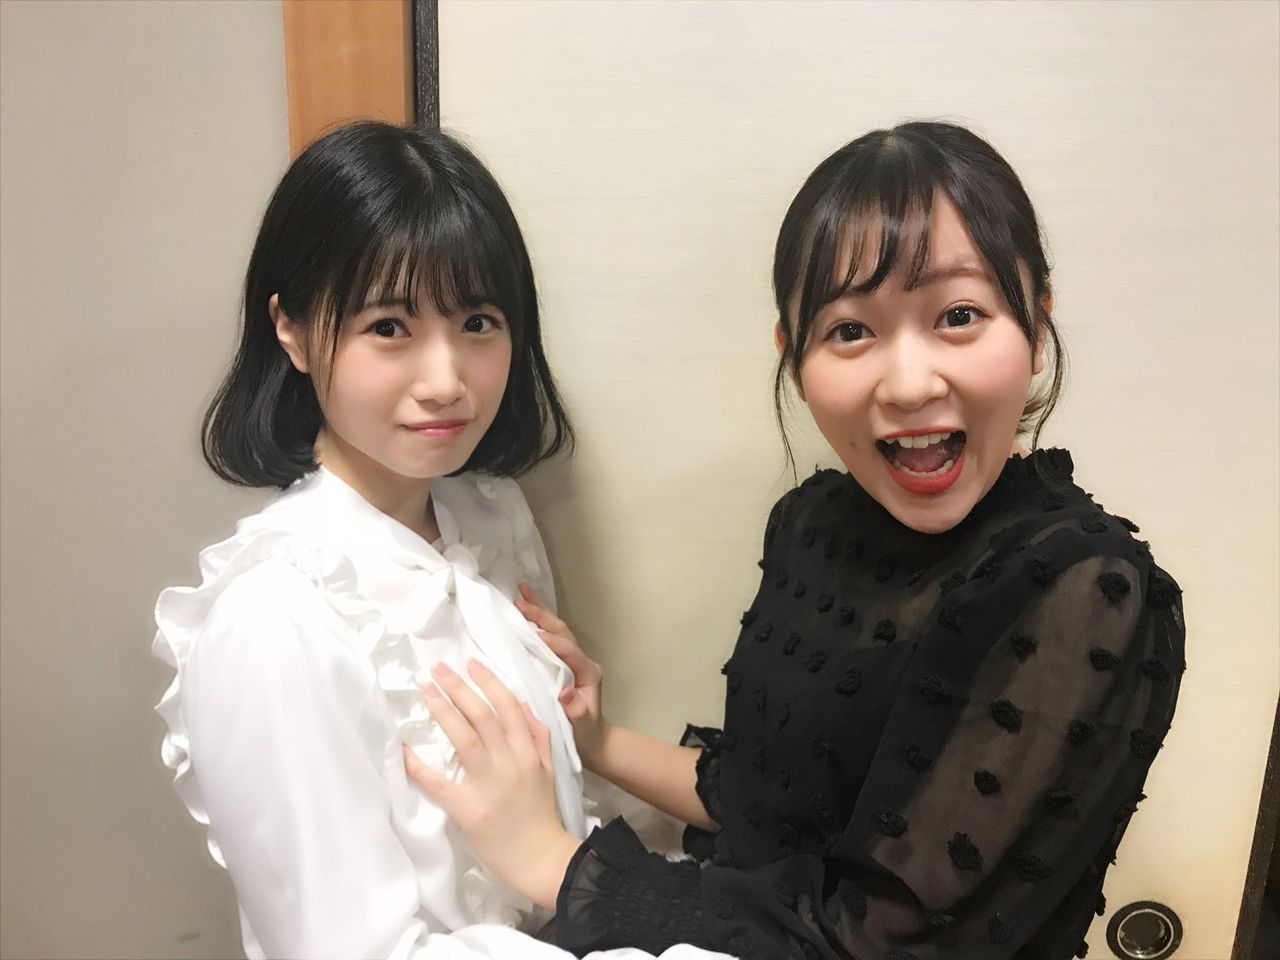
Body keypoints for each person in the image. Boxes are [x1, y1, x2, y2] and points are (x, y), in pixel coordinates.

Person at [407, 121, 1186, 960]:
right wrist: (596, 742)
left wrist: (552, 863)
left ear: (1035, 323)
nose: (909, 383)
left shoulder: (1084, 586)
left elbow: (880, 943)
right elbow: (761, 805)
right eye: (851, 330)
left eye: (959, 315)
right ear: (794, 351)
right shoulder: (814, 522)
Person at [152, 121, 720, 960]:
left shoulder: (490, 518)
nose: (447, 381)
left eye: (479, 322)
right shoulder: (273, 621)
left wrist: (583, 741)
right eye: (390, 327)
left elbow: (553, 826)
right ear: (293, 330)